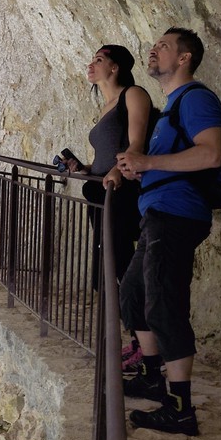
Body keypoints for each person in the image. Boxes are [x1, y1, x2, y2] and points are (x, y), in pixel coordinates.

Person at [115, 27, 221, 436]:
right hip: (157, 214)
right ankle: (150, 376)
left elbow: (211, 153)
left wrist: (148, 164)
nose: (153, 49)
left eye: (163, 46)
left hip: (178, 215)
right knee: (133, 295)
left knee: (164, 303)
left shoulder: (196, 99)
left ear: (184, 59)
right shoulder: (172, 108)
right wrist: (137, 165)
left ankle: (180, 408)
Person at [67, 44, 150, 288]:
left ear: (115, 67)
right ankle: (124, 314)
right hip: (102, 187)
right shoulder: (106, 107)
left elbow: (137, 142)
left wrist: (117, 169)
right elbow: (106, 155)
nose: (91, 65)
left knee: (119, 256)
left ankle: (136, 316)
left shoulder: (133, 94)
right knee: (109, 258)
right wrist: (84, 168)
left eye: (99, 60)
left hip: (121, 189)